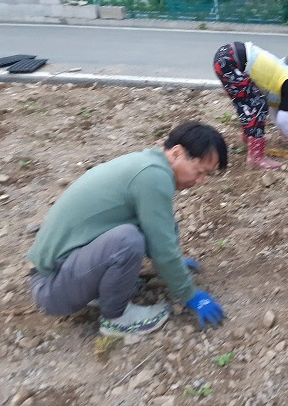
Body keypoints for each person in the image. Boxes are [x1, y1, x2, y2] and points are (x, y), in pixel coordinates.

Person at [27, 122, 228, 336]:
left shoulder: (148, 165)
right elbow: (161, 247)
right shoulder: (153, 177)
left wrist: (173, 266)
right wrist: (189, 294)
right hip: (52, 288)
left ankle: (100, 292)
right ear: (177, 153)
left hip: (66, 272)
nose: (200, 181)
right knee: (127, 240)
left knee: (145, 229)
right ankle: (116, 319)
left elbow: (162, 229)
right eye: (199, 172)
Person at [213, 42, 288, 169]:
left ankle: (250, 137)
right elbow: (284, 120)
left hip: (228, 56)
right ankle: (256, 157)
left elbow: (275, 109)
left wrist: (286, 131)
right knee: (257, 104)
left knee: (247, 102)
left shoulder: (287, 74)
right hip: (232, 61)